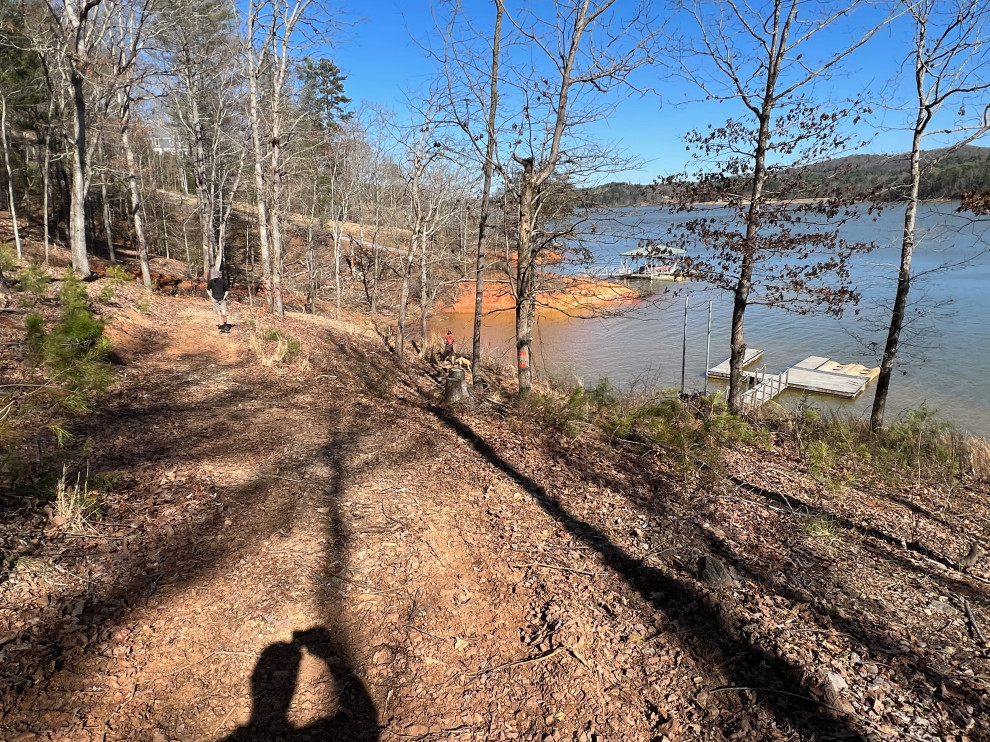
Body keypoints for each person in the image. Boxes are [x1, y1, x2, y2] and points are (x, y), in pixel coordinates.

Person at [207, 269, 230, 333]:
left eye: (217, 277)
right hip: (215, 300)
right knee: (219, 315)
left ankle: (225, 325)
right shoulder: (211, 282)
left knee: (224, 313)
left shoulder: (223, 282)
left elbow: (227, 290)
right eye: (215, 277)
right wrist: (211, 297)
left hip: (222, 300)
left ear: (219, 276)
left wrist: (224, 297)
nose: (216, 278)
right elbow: (208, 290)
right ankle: (222, 327)